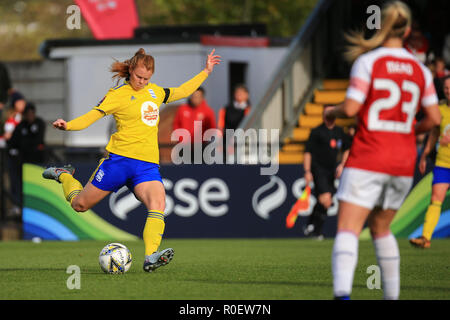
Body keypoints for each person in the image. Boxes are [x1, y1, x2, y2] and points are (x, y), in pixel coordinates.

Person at [42, 48, 221, 272]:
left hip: (146, 166)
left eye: (147, 78)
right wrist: (68, 125)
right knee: (79, 205)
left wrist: (206, 71)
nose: (142, 82)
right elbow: (92, 116)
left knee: (158, 204)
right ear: (130, 72)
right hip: (118, 162)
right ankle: (64, 175)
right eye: (139, 77)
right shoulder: (117, 95)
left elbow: (182, 91)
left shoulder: (155, 92)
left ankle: (150, 257)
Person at [326, 1, 441, 300]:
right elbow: (434, 119)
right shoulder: (420, 70)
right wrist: (406, 132)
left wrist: (331, 111)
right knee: (381, 229)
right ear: (407, 31)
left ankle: (342, 295)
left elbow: (351, 107)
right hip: (402, 162)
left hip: (369, 155)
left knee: (349, 228)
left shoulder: (369, 62)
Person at [410, 75, 450, 248]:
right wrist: (425, 155)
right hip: (443, 163)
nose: (449, 91)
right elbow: (434, 134)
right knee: (436, 199)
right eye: (447, 88)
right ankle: (425, 238)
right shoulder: (440, 109)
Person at [303, 105, 351, 240]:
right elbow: (308, 152)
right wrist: (307, 171)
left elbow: (347, 149)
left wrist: (342, 165)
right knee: (325, 200)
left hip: (332, 170)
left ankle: (311, 227)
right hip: (318, 169)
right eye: (327, 113)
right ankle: (316, 231)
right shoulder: (317, 132)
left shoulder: (339, 131)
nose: (329, 116)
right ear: (323, 115)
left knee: (325, 201)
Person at [172, 87, 216, 163]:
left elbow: (211, 128)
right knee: (183, 171)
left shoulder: (208, 111)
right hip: (184, 146)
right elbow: (176, 124)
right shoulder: (183, 109)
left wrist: (204, 141)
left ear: (202, 98)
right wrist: (180, 139)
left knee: (200, 171)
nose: (195, 99)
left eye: (198, 97)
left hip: (201, 147)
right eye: (193, 96)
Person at [217, 84, 251, 162]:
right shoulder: (226, 109)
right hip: (228, 141)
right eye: (237, 93)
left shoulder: (249, 110)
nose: (239, 95)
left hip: (244, 142)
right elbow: (220, 126)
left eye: (241, 93)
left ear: (247, 95)